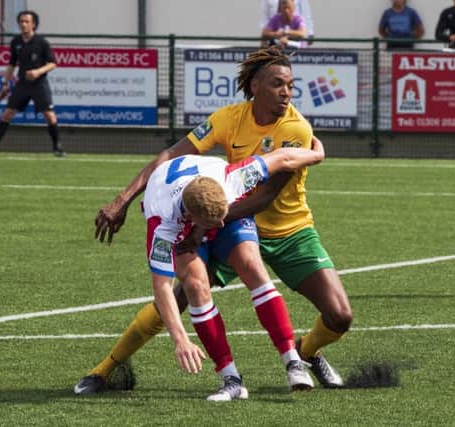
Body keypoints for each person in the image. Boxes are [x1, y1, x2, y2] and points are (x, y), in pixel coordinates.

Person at [75, 46, 351, 394]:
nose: (287, 93)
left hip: (287, 230)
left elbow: (265, 197)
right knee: (178, 297)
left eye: (291, 86)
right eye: (278, 84)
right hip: (230, 221)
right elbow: (169, 156)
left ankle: (305, 352)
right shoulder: (228, 119)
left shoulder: (296, 127)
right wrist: (122, 200)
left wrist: (202, 226)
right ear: (254, 86)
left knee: (340, 316)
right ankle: (104, 370)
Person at [77, 147, 324, 401]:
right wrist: (180, 339)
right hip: (181, 218)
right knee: (194, 286)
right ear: (192, 217)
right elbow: (162, 287)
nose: (218, 226)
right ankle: (232, 379)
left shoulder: (233, 179)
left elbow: (284, 158)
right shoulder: (163, 224)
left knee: (252, 264)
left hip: (220, 202)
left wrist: (317, 155)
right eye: (211, 224)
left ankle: (292, 361)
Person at [0, 10, 65, 157]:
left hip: (39, 84)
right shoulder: (16, 42)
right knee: (7, 114)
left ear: (34, 24)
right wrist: (5, 83)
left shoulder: (42, 42)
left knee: (50, 116)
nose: (23, 24)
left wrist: (38, 72)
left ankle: (57, 147)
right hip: (22, 84)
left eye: (27, 21)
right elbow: (12, 64)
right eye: (21, 21)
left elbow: (52, 64)